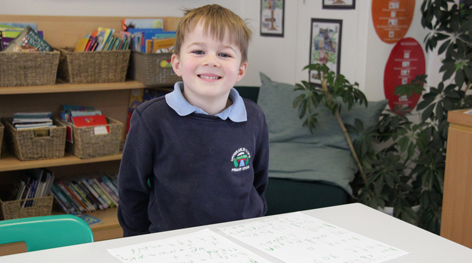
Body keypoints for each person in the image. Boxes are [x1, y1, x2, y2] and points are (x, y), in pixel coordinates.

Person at [117, 4, 269, 237]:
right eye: (198, 51)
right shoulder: (150, 118)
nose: (212, 61)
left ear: (240, 70)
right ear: (177, 64)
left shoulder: (255, 118)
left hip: (242, 239)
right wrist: (136, 242)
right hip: (172, 243)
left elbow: (258, 183)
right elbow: (131, 190)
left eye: (224, 54)